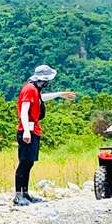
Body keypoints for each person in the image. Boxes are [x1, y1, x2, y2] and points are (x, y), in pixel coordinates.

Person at [14, 64, 78, 206]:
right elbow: (24, 111)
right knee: (24, 163)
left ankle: (25, 194)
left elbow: (40, 98)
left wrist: (59, 94)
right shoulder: (29, 89)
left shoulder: (34, 90)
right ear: (43, 79)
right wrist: (25, 130)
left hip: (33, 130)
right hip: (28, 130)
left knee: (29, 163)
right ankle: (19, 195)